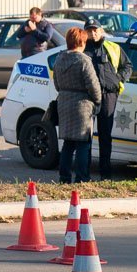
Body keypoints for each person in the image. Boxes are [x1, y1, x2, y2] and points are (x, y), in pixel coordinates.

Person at [84, 18, 132, 181]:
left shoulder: (113, 48)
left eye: (95, 30)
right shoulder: (82, 48)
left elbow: (128, 66)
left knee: (105, 136)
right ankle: (85, 173)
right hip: (87, 97)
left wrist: (118, 80)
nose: (93, 33)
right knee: (86, 136)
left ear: (101, 30)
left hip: (108, 96)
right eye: (89, 30)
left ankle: (105, 173)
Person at [54, 27, 102, 184]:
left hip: (64, 102)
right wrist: (98, 100)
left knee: (68, 144)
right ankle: (82, 177)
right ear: (81, 41)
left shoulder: (59, 59)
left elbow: (56, 84)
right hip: (82, 105)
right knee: (83, 144)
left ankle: (64, 177)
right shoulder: (84, 60)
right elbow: (93, 86)